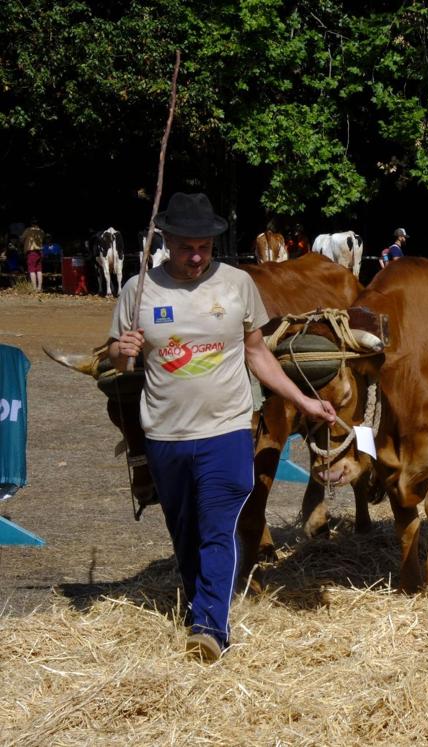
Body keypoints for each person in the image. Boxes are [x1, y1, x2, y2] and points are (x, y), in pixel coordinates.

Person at [108, 192, 337, 662]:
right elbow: (117, 356)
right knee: (184, 528)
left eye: (205, 248)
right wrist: (122, 348)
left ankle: (211, 625)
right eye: (187, 247)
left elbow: (257, 353)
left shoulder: (236, 284)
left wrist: (303, 400)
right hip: (165, 433)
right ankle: (199, 600)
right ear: (167, 240)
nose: (197, 257)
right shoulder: (137, 290)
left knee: (219, 526)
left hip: (228, 429)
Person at [20, 220, 45, 292]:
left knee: (32, 270)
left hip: (31, 252)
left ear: (31, 224)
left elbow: (22, 239)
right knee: (39, 270)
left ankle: (34, 288)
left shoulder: (28, 230)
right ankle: (39, 288)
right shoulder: (41, 231)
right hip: (39, 252)